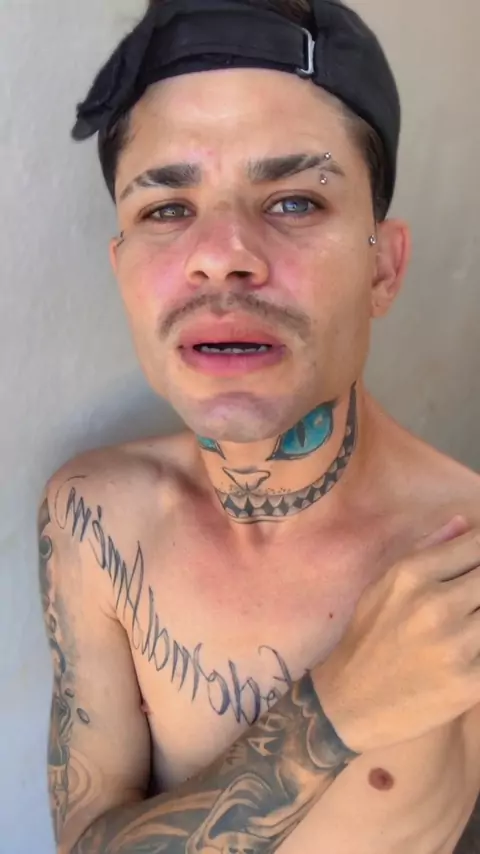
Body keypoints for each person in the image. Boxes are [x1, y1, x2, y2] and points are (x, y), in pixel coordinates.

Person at [38, 1, 480, 852]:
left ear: (383, 268)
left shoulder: (462, 560)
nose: (222, 255)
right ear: (122, 267)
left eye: (294, 201)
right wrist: (338, 713)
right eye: (167, 210)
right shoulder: (93, 520)